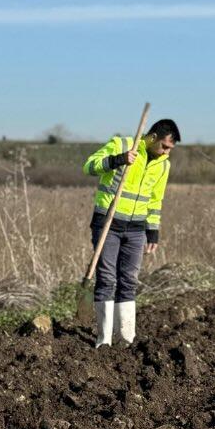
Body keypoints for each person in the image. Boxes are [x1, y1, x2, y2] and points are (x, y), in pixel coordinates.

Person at [84, 118, 180, 347]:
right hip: (108, 222)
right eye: (165, 146)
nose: (166, 152)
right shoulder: (121, 144)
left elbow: (156, 200)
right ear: (153, 137)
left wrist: (153, 232)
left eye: (170, 149)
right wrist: (118, 160)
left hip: (137, 230)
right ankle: (103, 340)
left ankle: (126, 339)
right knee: (107, 279)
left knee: (129, 281)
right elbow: (89, 166)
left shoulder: (163, 164)